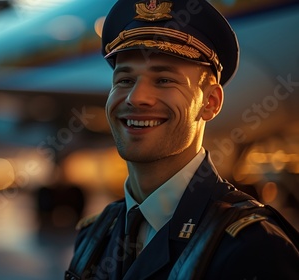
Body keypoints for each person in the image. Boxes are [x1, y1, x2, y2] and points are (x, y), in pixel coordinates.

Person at [65, 0, 299, 279]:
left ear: (210, 102)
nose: (136, 97)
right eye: (124, 80)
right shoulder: (93, 235)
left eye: (164, 80)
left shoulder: (255, 247)